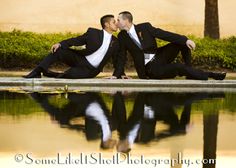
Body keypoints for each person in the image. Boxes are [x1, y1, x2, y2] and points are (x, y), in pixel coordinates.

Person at [110, 11, 226, 80]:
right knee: (178, 67)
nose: (116, 22)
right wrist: (117, 75)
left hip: (159, 56)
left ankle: (190, 72)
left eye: (118, 20)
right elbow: (121, 57)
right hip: (149, 69)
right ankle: (211, 75)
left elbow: (164, 34)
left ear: (126, 21)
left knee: (181, 42)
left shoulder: (145, 27)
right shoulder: (122, 36)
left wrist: (185, 40)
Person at [23, 14, 123, 79]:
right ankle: (37, 71)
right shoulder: (93, 33)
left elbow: (118, 60)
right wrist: (60, 43)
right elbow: (78, 40)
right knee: (59, 50)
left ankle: (48, 73)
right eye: (114, 22)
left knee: (69, 75)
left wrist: (118, 75)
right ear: (107, 24)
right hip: (80, 59)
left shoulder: (116, 42)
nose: (117, 24)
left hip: (90, 70)